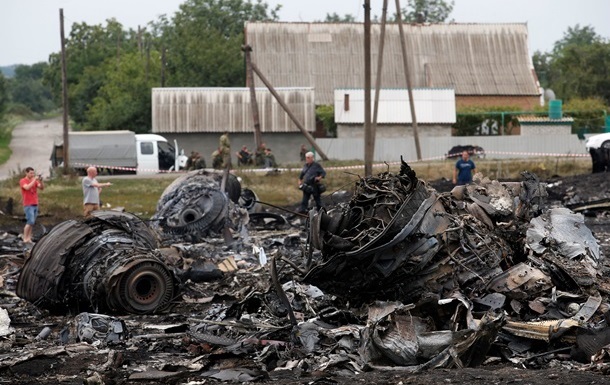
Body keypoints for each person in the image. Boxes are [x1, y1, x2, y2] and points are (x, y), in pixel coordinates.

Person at [19, 167, 44, 244]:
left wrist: (40, 181)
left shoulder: (34, 181)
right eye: (31, 173)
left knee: (32, 222)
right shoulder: (23, 181)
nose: (32, 175)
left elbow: (41, 187)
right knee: (30, 221)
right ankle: (25, 238)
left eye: (33, 173)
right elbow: (27, 187)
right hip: (28, 203)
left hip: (35, 203)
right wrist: (34, 180)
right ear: (26, 173)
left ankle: (29, 238)